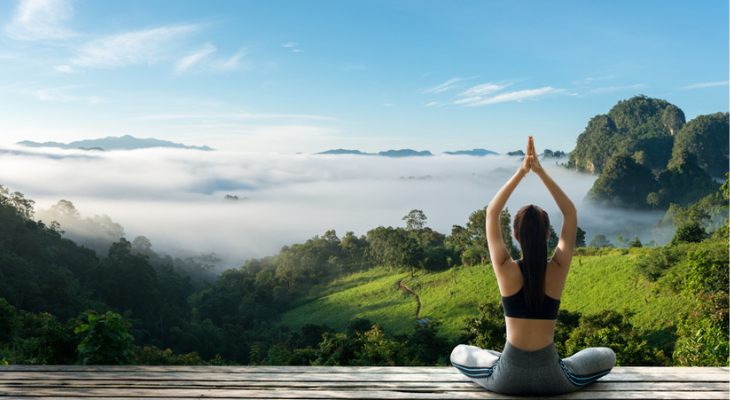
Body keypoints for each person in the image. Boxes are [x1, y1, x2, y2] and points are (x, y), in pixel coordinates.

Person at [450, 137, 615, 395]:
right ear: (548, 234)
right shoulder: (557, 269)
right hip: (552, 378)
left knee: (458, 352)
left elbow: (492, 213)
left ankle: (494, 358)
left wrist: (522, 172)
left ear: (515, 236)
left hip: (507, 378)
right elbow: (570, 213)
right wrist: (540, 171)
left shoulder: (506, 269)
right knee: (607, 354)